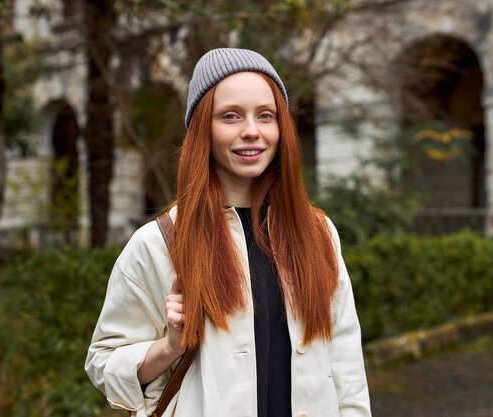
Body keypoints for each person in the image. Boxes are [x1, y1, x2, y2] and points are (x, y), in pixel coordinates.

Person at [85, 48, 371, 417]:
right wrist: (170, 345)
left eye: (265, 116)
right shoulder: (159, 243)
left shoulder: (317, 233)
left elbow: (346, 366)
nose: (251, 131)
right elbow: (103, 364)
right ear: (204, 128)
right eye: (230, 116)